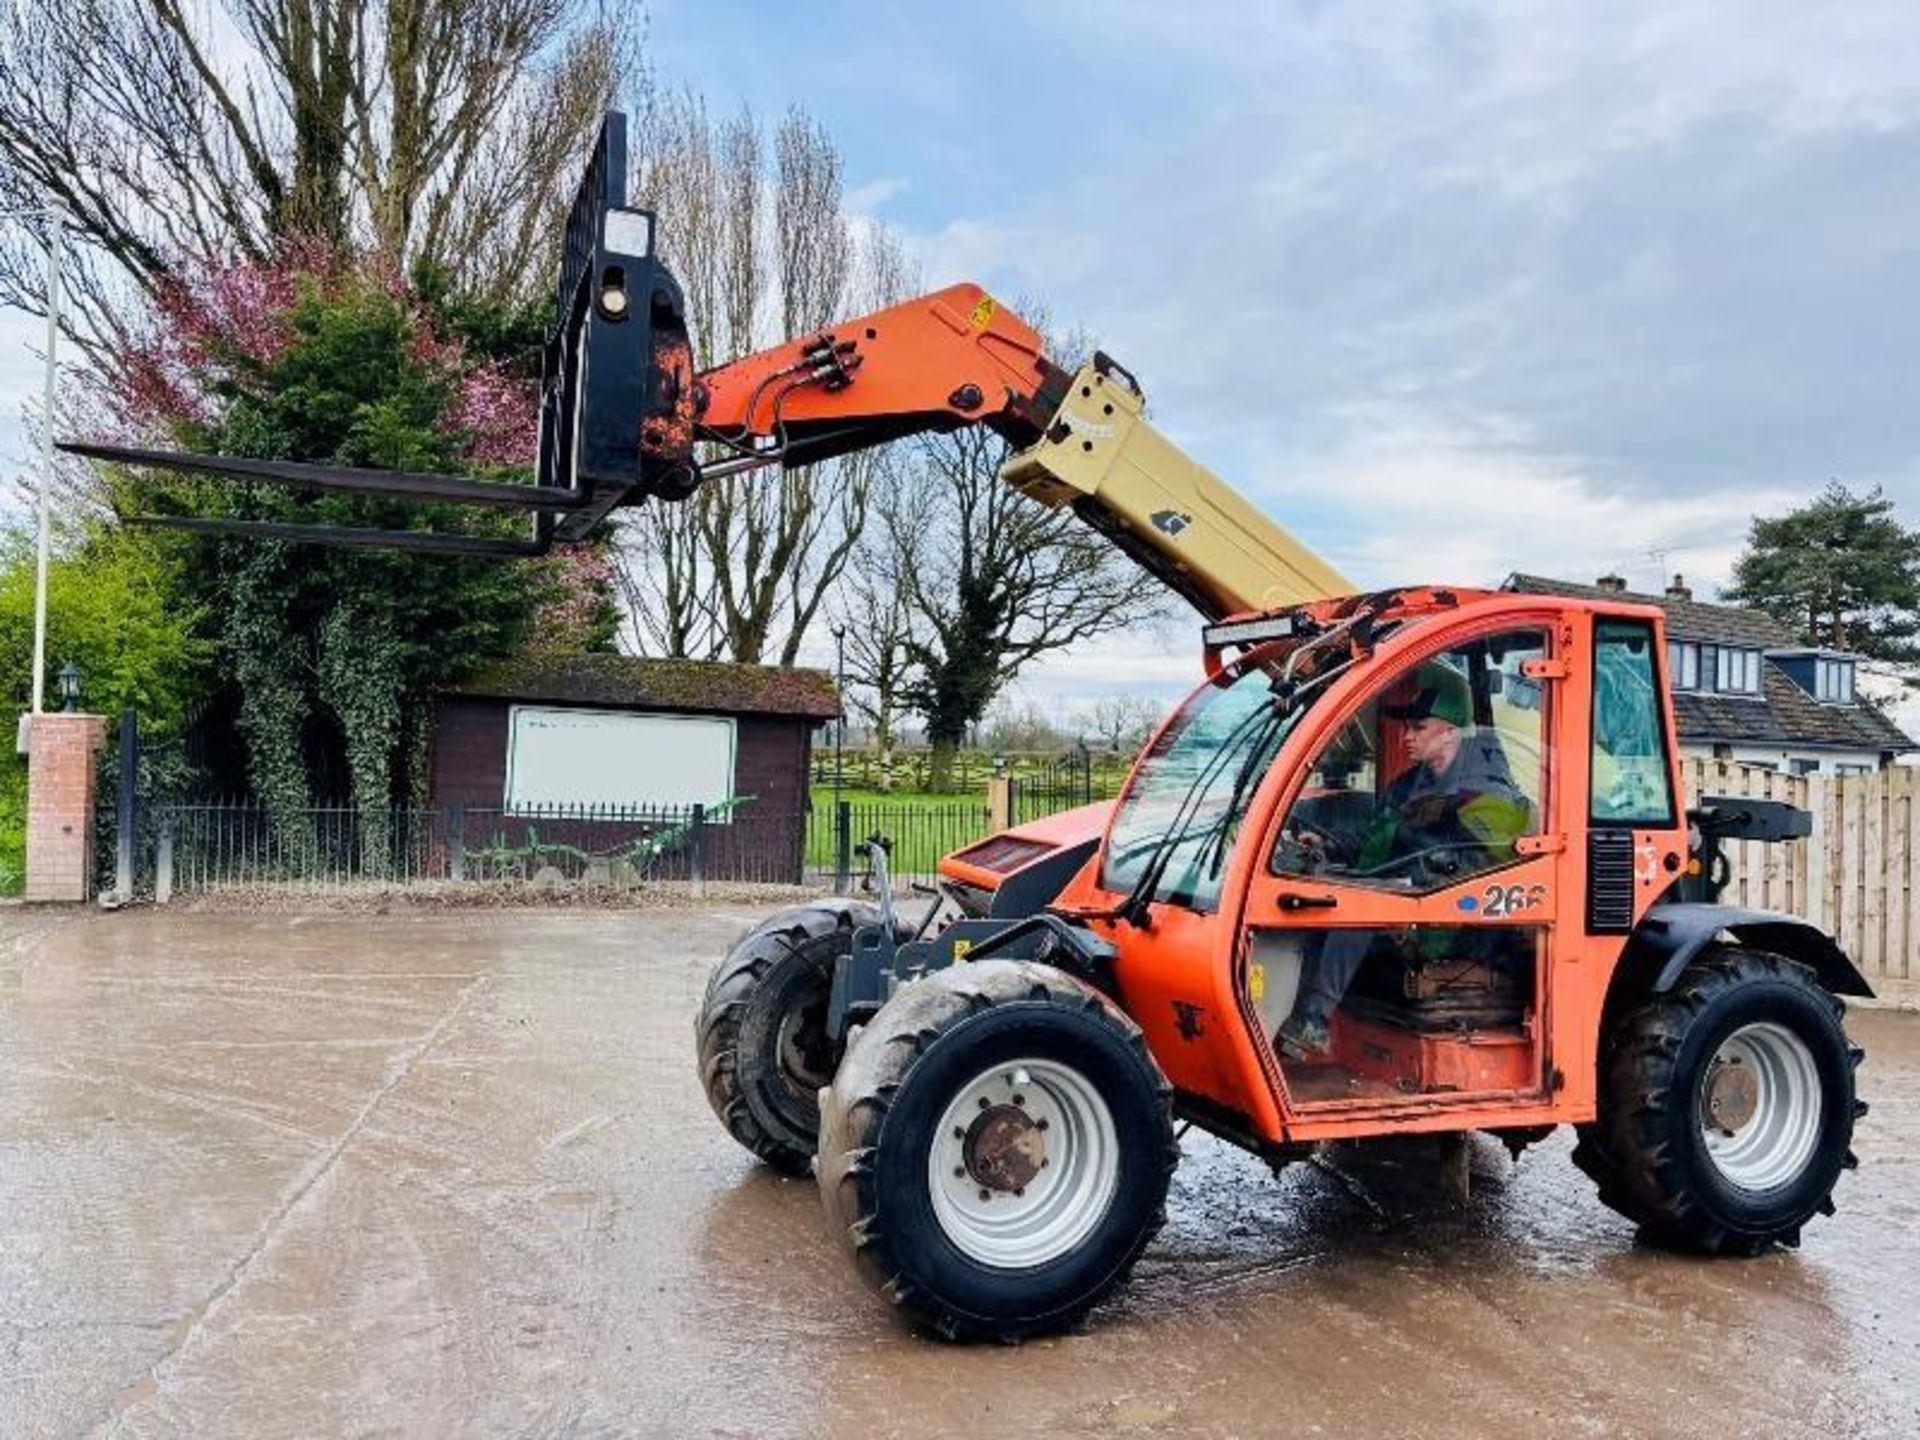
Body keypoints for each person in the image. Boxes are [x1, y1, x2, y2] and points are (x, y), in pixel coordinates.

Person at [1277, 660, 1532, 1062]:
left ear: (1450, 733)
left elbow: (1490, 865)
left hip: (1460, 921)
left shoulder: (1488, 790)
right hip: (1412, 901)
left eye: (1419, 727)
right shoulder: (1412, 783)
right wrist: (1329, 847)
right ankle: (1301, 1019)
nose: (1407, 736)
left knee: (1355, 912)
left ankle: (1313, 1022)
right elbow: (1376, 839)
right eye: (1408, 727)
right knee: (1314, 897)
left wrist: (1424, 872)